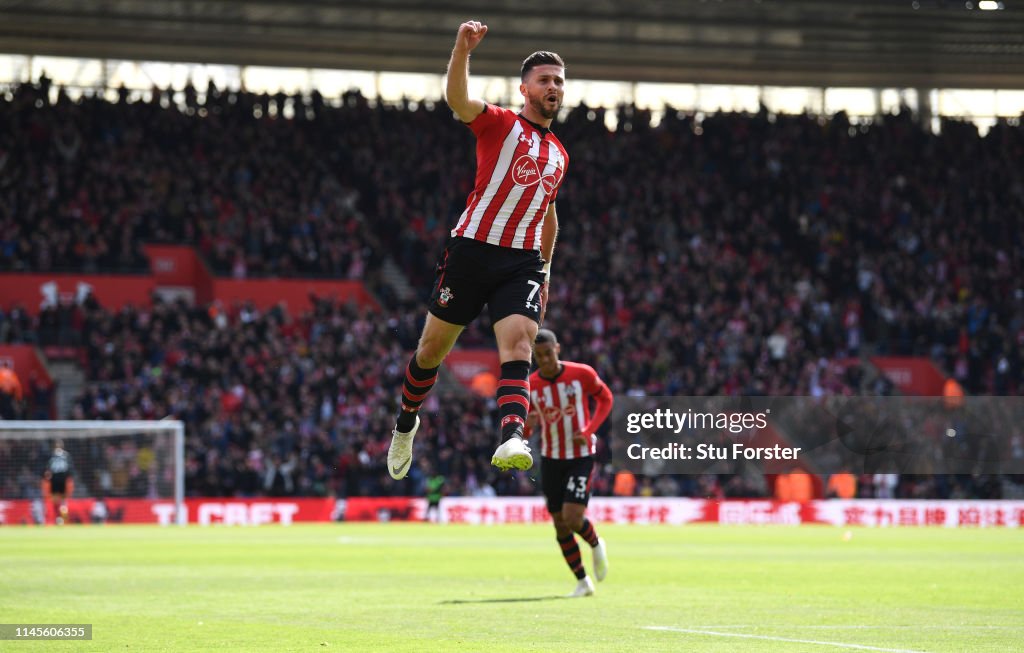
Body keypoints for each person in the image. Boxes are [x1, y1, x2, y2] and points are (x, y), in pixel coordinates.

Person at [388, 20, 568, 480]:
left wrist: (544, 271)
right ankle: (406, 423)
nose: (554, 87)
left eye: (559, 81)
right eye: (545, 80)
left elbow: (547, 213)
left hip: (521, 262)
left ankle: (512, 434)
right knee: (431, 351)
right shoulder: (500, 123)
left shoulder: (561, 155)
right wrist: (462, 50)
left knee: (521, 344)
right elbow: (457, 100)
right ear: (524, 88)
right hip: (471, 251)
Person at [526, 329, 613, 597]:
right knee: (559, 523)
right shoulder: (531, 385)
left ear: (558, 349)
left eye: (548, 353)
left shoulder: (581, 374)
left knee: (573, 517)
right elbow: (529, 422)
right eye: (538, 356)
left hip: (580, 456)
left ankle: (597, 544)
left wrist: (588, 430)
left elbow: (606, 398)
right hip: (551, 458)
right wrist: (525, 433)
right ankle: (583, 581)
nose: (544, 360)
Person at [41, 439, 75, 525]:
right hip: (63, 479)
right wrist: (69, 478)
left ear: (54, 446)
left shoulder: (51, 455)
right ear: (62, 446)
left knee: (55, 500)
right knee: (63, 501)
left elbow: (47, 470)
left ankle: (58, 518)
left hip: (54, 479)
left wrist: (47, 475)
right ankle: (63, 519)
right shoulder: (66, 455)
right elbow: (70, 469)